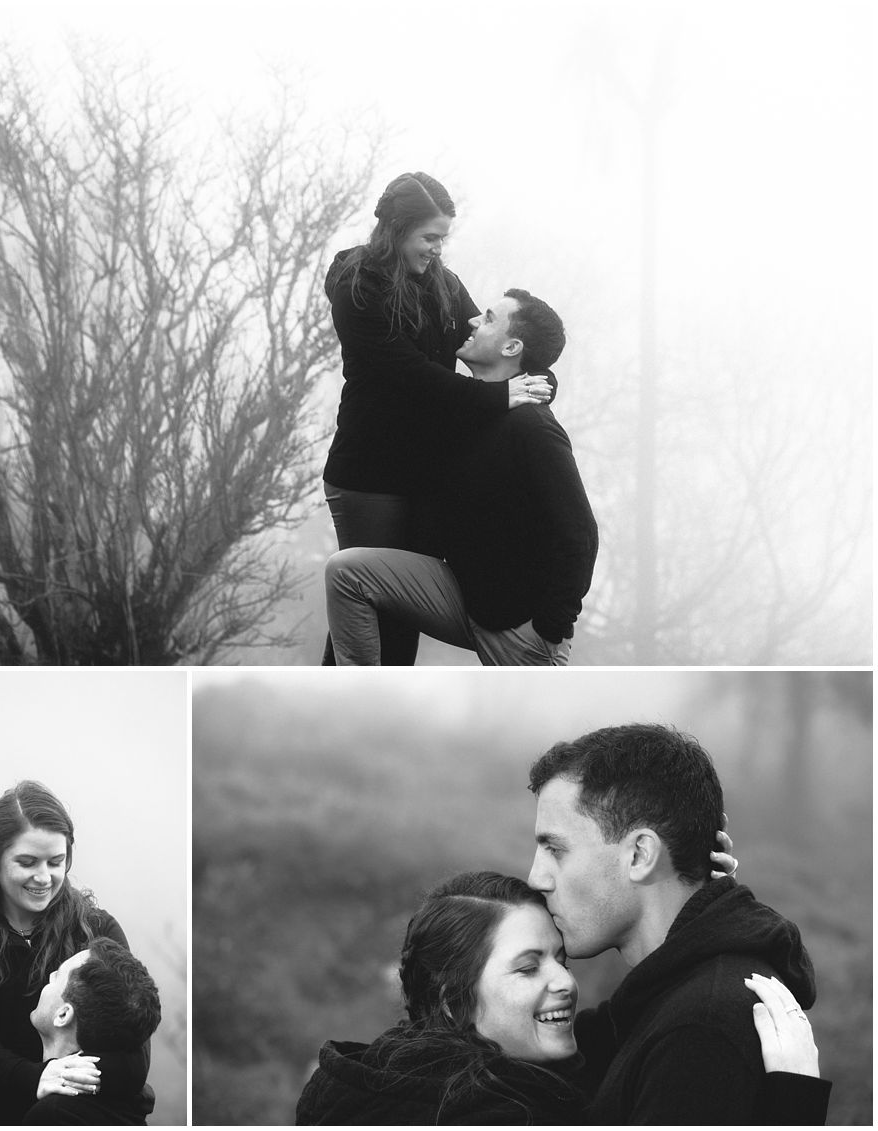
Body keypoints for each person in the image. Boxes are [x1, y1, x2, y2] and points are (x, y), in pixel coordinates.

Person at [295, 872, 829, 1125]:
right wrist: (791, 1108)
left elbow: (620, 1022)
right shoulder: (486, 1115)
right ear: (452, 999)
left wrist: (695, 892)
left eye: (561, 959)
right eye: (529, 967)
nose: (565, 982)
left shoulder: (395, 1074)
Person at [527, 722, 828, 1123]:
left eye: (555, 849)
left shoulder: (700, 1030)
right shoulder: (658, 999)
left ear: (639, 856)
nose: (536, 878)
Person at [322, 171, 554, 665]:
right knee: (366, 608)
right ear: (396, 229)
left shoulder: (442, 284)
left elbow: (486, 343)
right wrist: (499, 398)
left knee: (402, 616)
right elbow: (410, 375)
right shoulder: (356, 286)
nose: (436, 249)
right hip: (371, 476)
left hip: (424, 477)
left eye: (442, 238)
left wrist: (539, 381)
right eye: (429, 237)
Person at [325, 289, 597, 665]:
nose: (471, 322)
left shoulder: (531, 426)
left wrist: (551, 626)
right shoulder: (471, 411)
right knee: (348, 573)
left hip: (519, 629)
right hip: (462, 597)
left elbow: (580, 534)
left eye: (487, 319)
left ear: (511, 347)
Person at [0, 781, 131, 1125]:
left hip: (75, 1114)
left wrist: (70, 1079)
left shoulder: (96, 932)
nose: (43, 877)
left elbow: (131, 1042)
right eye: (27, 861)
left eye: (56, 861)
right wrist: (35, 1078)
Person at [22, 936, 161, 1124]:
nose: (49, 975)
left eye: (57, 976)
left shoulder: (54, 1117)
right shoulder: (125, 1106)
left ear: (63, 1015)